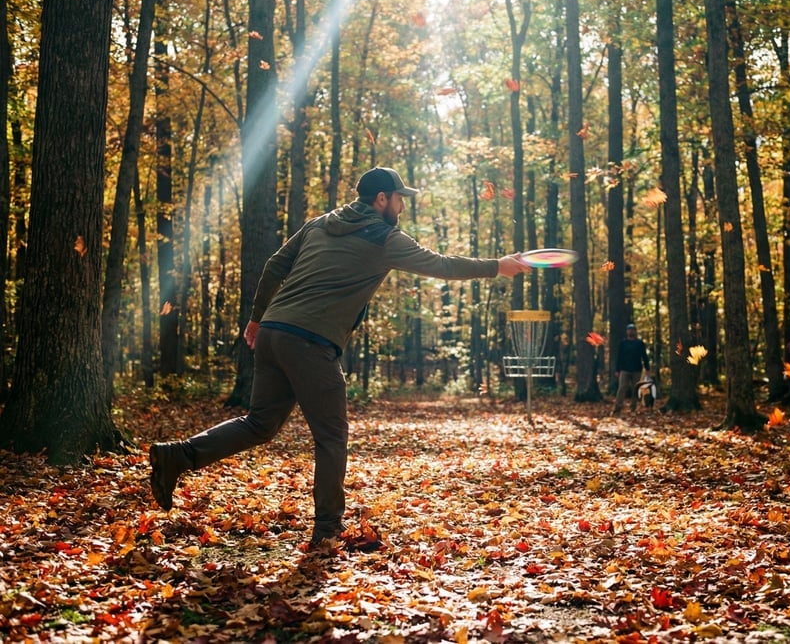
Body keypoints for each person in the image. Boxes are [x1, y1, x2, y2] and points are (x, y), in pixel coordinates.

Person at [148, 166, 531, 545]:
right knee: (332, 436)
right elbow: (442, 264)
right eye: (399, 199)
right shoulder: (386, 238)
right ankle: (328, 529)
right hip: (309, 342)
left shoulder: (321, 223)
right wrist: (498, 266)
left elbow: (274, 265)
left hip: (273, 333)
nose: (401, 207)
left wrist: (257, 319)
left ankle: (177, 456)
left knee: (261, 424)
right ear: (382, 199)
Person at [612, 323, 650, 414]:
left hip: (636, 369)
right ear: (627, 331)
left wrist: (647, 368)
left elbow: (644, 356)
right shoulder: (623, 343)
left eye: (632, 329)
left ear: (635, 331)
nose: (631, 331)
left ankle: (633, 408)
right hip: (624, 369)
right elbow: (619, 357)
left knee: (635, 389)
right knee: (622, 388)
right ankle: (617, 408)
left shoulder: (640, 343)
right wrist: (617, 370)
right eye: (629, 330)